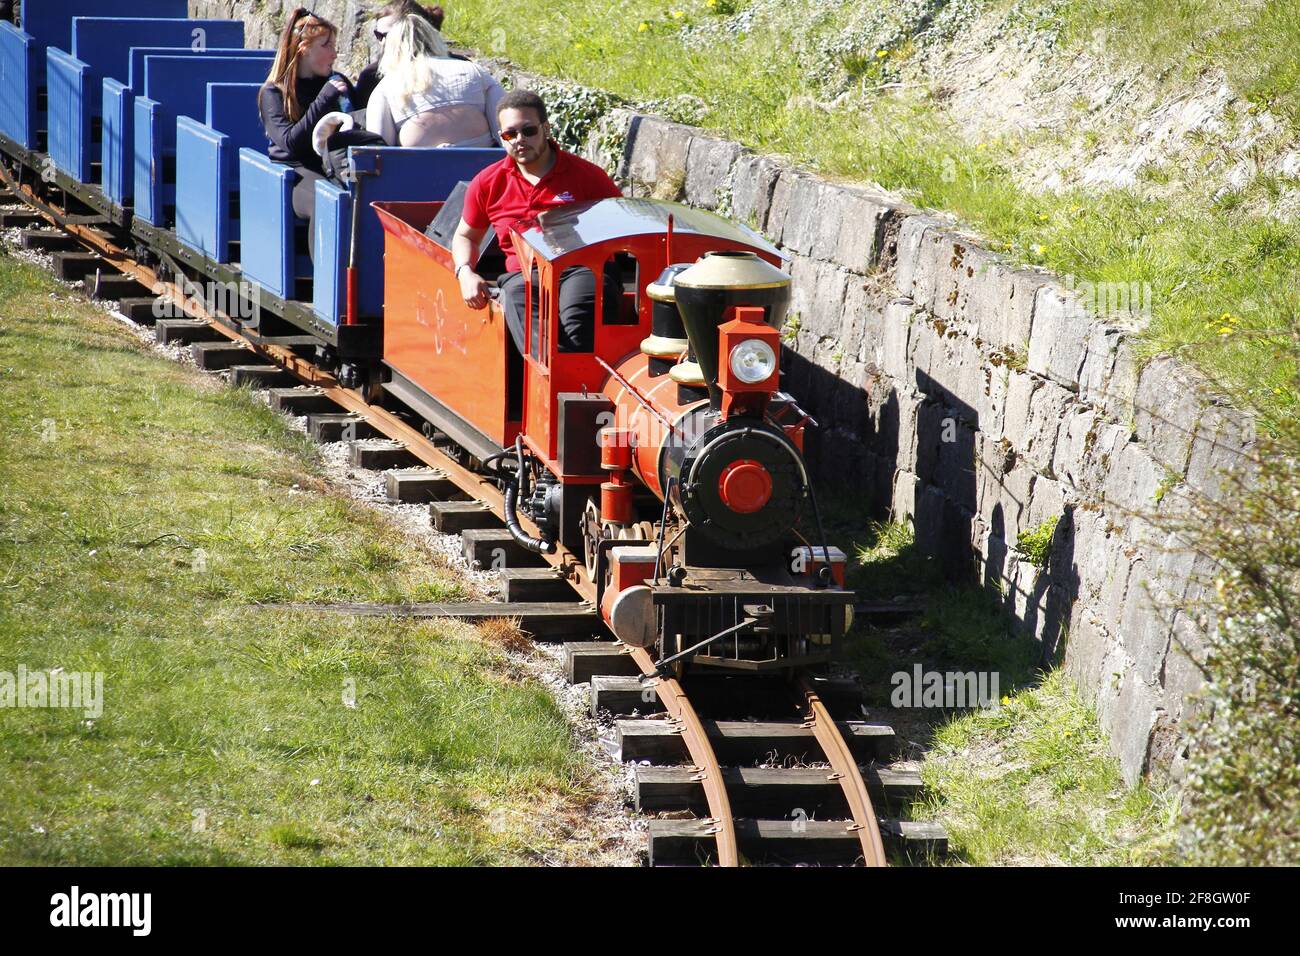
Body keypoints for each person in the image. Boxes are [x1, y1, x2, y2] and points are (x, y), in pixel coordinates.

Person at [453, 90, 624, 354]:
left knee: (579, 323)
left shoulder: (587, 176)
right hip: (522, 274)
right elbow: (466, 235)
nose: (520, 140)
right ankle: (551, 383)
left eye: (528, 130)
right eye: (510, 134)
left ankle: (572, 383)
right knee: (520, 305)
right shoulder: (488, 182)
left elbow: (623, 223)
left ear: (546, 128)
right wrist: (465, 272)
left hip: (580, 267)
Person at [258, 8, 355, 258]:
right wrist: (323, 100)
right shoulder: (273, 93)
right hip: (294, 174)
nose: (335, 54)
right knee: (325, 200)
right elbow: (291, 143)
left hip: (334, 164)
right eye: (327, 46)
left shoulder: (336, 83)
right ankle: (325, 284)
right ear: (304, 49)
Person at [364, 15, 503, 149]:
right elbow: (506, 125)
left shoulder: (386, 86)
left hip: (415, 166)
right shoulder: (475, 71)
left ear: (392, 48)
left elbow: (377, 148)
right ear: (434, 39)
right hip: (480, 162)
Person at [354, 2, 450, 110]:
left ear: (416, 30)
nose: (384, 41)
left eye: (390, 34)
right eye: (379, 35)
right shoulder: (371, 76)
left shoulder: (453, 66)